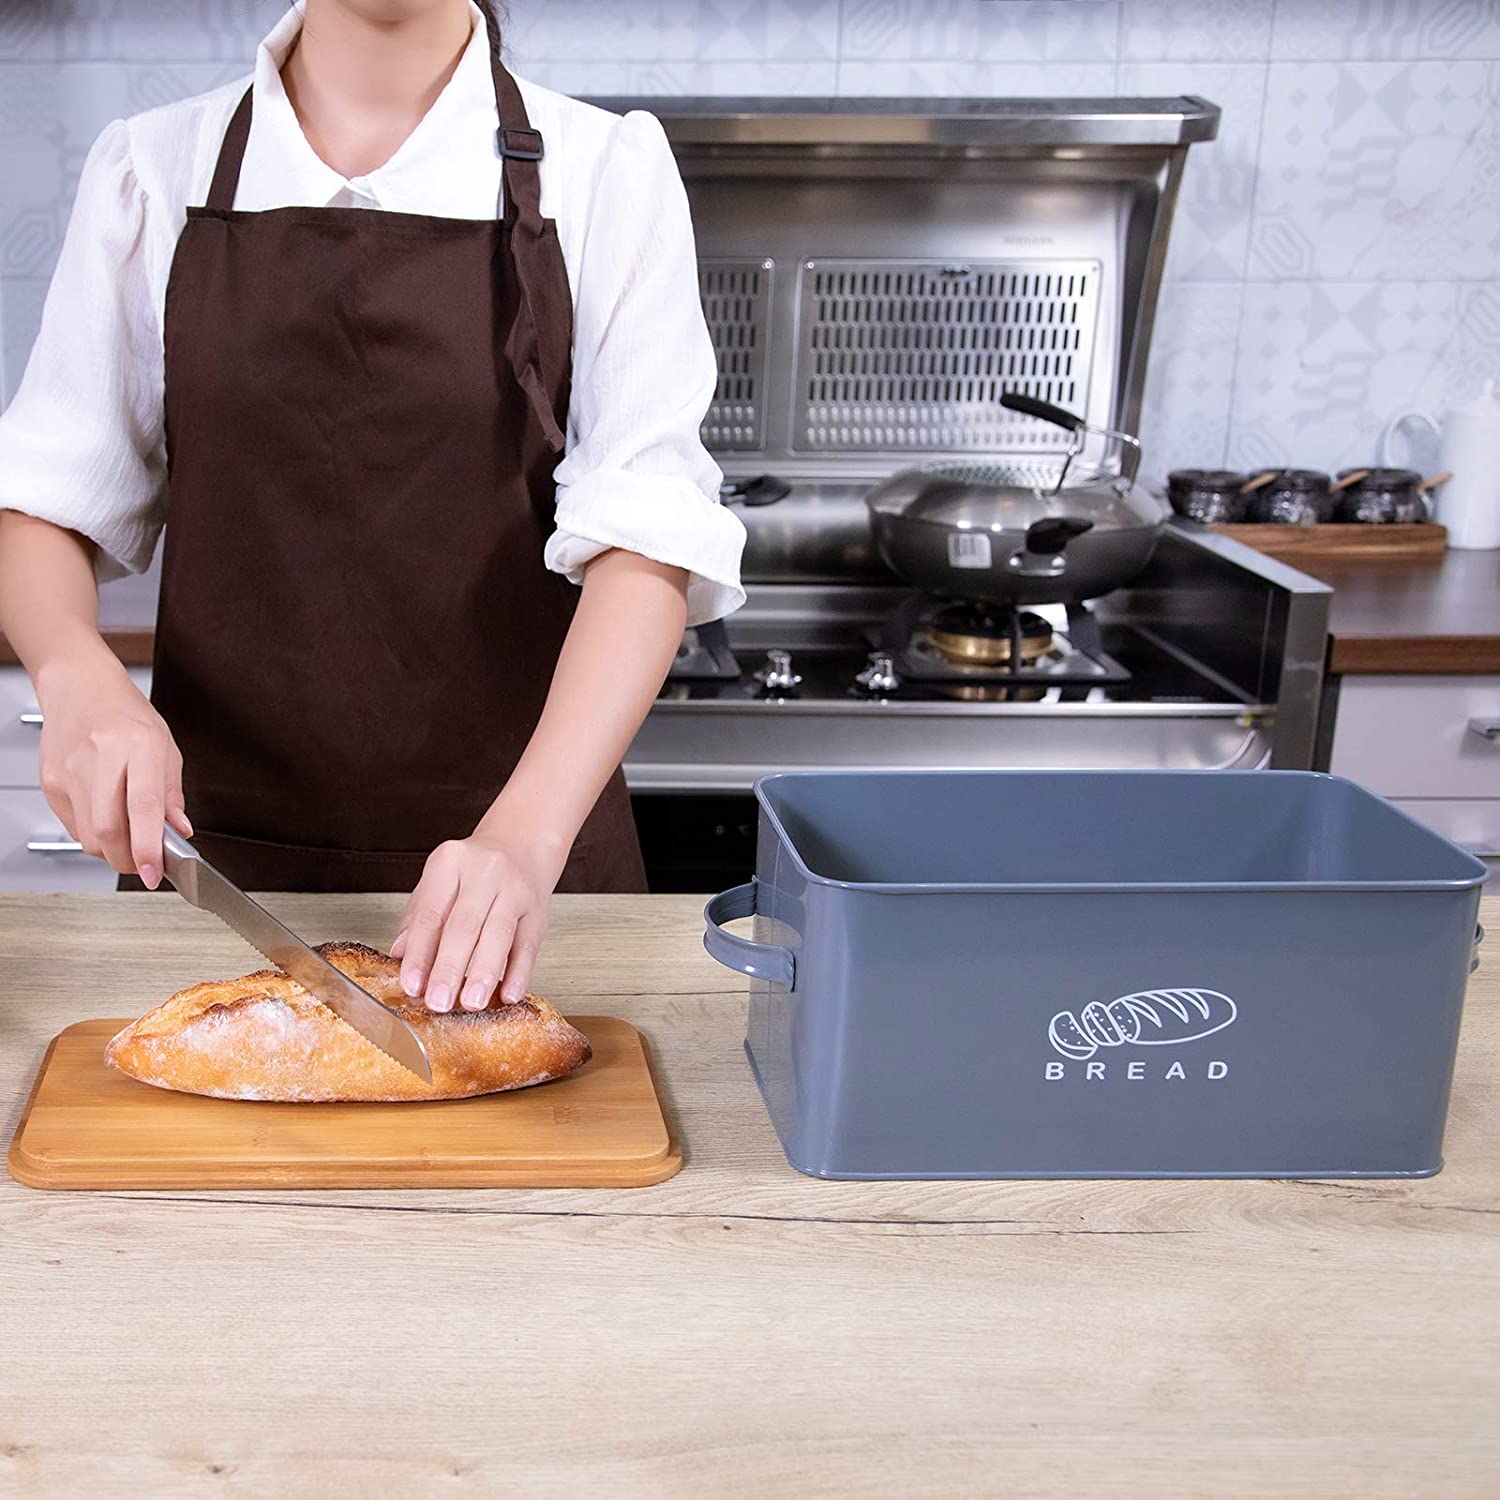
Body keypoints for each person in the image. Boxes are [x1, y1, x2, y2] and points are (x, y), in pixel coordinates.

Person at [0, 0, 744, 1014]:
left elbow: (645, 547)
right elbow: (43, 500)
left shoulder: (606, 169)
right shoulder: (151, 168)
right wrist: (74, 670)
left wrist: (523, 840)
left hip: (521, 888)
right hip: (212, 883)